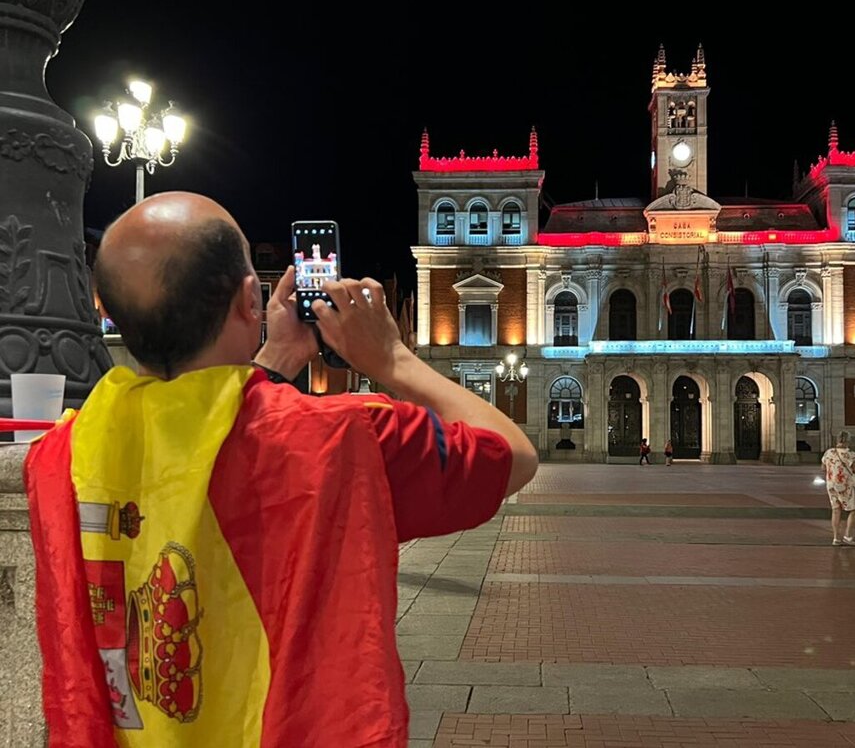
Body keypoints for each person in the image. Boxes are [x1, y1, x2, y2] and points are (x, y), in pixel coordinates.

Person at [24, 193, 538, 748]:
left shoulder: (62, 456)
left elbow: (203, 431)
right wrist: (391, 358)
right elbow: (511, 453)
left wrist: (273, 364)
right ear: (252, 299)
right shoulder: (349, 440)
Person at [821, 430, 855, 546]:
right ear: (848, 440)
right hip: (844, 485)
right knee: (854, 509)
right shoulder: (851, 454)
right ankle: (848, 536)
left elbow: (823, 468)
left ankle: (835, 538)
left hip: (830, 484)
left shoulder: (829, 453)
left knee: (836, 509)